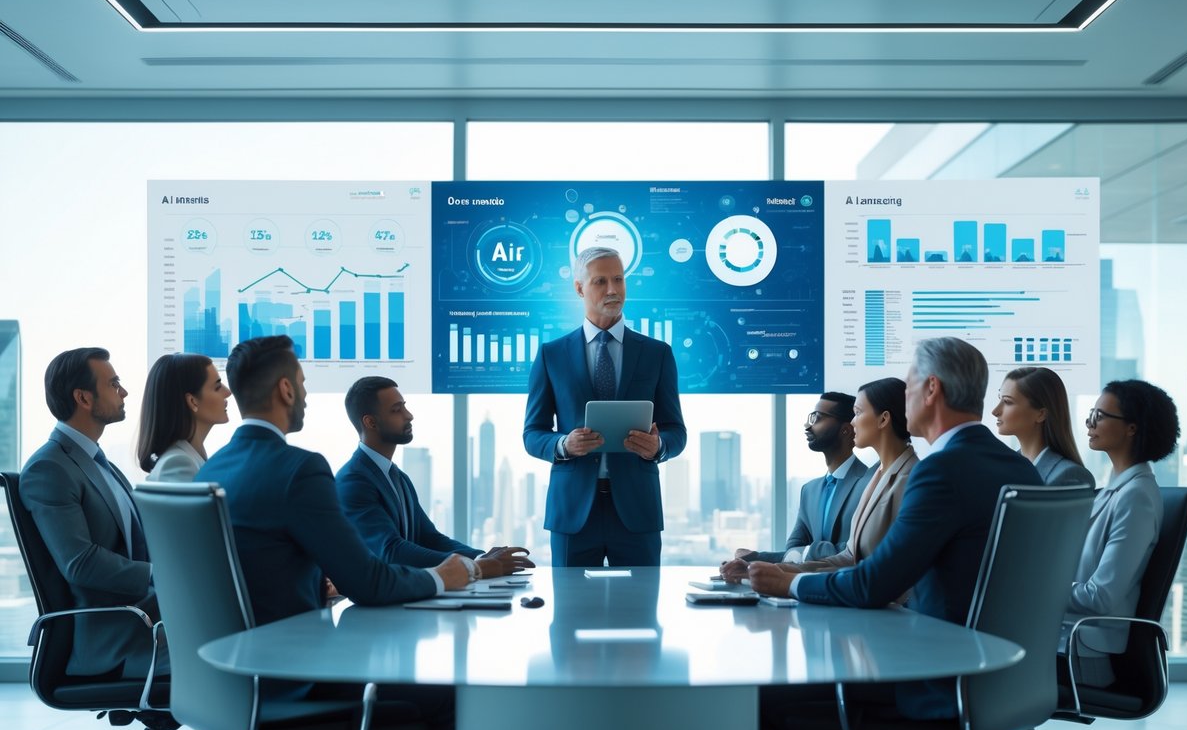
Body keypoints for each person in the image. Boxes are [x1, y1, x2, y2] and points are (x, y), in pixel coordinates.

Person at [749, 337, 1042, 730]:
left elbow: (873, 584)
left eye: (908, 386)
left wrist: (789, 584)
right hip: (1009, 678)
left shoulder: (941, 470)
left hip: (944, 683)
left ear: (931, 389)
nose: (903, 400)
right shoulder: (1021, 469)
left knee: (768, 701)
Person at [197, 336, 473, 730]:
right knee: (446, 689)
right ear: (286, 389)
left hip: (225, 683)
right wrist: (442, 578)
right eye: (302, 383)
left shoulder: (211, 471)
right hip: (290, 686)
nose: (305, 395)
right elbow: (369, 582)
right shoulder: (299, 469)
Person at [522, 246, 687, 567]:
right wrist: (563, 444)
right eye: (600, 281)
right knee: (570, 602)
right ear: (579, 288)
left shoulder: (657, 354)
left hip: (637, 510)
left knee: (641, 601)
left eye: (618, 279)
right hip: (572, 512)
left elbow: (676, 432)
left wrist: (658, 447)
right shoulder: (551, 355)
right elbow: (532, 434)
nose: (613, 289)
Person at [20, 347, 161, 678]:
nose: (124, 392)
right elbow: (80, 563)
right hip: (115, 639)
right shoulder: (49, 467)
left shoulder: (101, 464)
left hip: (146, 617)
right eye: (114, 384)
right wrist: (160, 576)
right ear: (83, 398)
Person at [336, 375, 534, 574]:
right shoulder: (353, 481)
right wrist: (474, 567)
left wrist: (480, 557)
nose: (409, 415)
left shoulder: (399, 477)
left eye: (404, 406)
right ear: (371, 422)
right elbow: (391, 550)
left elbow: (429, 538)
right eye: (396, 410)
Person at [1064, 379, 1180, 687]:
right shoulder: (1113, 490)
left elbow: (1101, 596)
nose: (1089, 423)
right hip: (1066, 641)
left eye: (1100, 416)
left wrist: (1040, 590)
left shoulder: (1136, 497)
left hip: (1083, 655)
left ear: (1132, 428)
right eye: (1091, 414)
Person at [726, 392, 872, 573]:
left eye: (817, 418)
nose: (807, 425)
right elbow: (792, 551)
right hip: (807, 588)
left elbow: (858, 549)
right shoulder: (809, 491)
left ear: (846, 430)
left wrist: (807, 551)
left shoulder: (870, 483)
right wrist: (755, 558)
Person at [798, 377, 918, 578]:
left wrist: (790, 580)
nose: (852, 422)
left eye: (858, 413)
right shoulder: (875, 477)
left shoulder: (912, 478)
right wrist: (783, 572)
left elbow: (888, 567)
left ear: (883, 419)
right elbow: (850, 557)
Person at [993, 366, 1095, 487]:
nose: (995, 411)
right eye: (999, 399)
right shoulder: (1004, 467)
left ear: (1041, 414)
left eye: (1007, 402)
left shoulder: (1071, 476)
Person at [137, 352, 232, 482]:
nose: (228, 392)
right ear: (193, 401)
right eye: (217, 387)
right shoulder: (178, 463)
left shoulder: (190, 456)